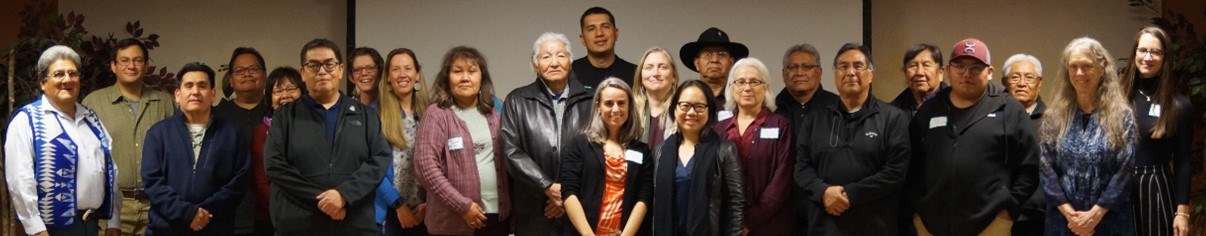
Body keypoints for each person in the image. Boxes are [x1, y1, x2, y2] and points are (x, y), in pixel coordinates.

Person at [908, 38, 1039, 236]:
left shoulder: (1009, 110)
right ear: (948, 70)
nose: (966, 74)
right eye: (959, 66)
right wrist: (918, 218)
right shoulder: (929, 110)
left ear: (990, 72)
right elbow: (911, 167)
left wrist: (1006, 215)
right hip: (931, 227)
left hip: (991, 227)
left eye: (975, 68)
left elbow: (1030, 168)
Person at [265, 38, 391, 235]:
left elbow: (379, 160)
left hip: (354, 221)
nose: (322, 71)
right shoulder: (284, 116)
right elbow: (274, 165)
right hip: (299, 223)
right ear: (303, 73)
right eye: (313, 65)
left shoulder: (365, 115)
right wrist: (322, 200)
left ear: (340, 70)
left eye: (329, 64)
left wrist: (344, 196)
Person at [794, 43, 911, 235]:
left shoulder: (893, 118)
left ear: (871, 74)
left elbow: (895, 172)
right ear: (834, 74)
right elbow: (801, 168)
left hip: (875, 226)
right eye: (843, 66)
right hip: (824, 226)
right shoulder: (815, 119)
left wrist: (850, 195)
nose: (850, 72)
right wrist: (824, 192)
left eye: (858, 66)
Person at [6, 45, 122, 236]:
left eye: (72, 73)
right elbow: (19, 179)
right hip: (51, 229)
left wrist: (114, 221)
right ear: (43, 82)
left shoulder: (91, 118)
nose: (67, 79)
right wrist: (36, 229)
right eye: (58, 74)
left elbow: (111, 171)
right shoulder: (27, 120)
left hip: (91, 225)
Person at [1039, 37, 1137, 236]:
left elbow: (1125, 170)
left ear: (1102, 69)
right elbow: (1046, 168)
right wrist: (1071, 216)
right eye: (1073, 66)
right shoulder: (1054, 116)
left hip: (1109, 221)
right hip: (1064, 223)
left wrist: (1094, 215)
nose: (1079, 73)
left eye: (1087, 66)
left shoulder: (1121, 116)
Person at [502, 32, 594, 235]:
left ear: (570, 62)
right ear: (535, 65)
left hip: (580, 209)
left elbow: (597, 152)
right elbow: (511, 151)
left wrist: (567, 195)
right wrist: (547, 186)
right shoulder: (517, 100)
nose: (554, 62)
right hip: (534, 209)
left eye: (561, 56)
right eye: (545, 57)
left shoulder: (592, 101)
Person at [141, 62, 250, 235]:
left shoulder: (231, 134)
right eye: (188, 86)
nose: (195, 92)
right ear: (177, 95)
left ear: (213, 94)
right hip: (167, 229)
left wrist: (203, 213)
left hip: (215, 228)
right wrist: (187, 213)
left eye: (202, 86)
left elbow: (239, 182)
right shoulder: (158, 133)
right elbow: (153, 182)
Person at [413, 46, 512, 235]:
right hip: (452, 220)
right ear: (447, 77)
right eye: (457, 71)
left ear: (482, 77)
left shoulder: (494, 111)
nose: (465, 78)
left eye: (472, 71)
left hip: (496, 216)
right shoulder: (437, 114)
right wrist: (462, 206)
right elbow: (425, 167)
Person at [81, 38, 174, 236]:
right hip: (112, 208)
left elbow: (175, 151)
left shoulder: (164, 102)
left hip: (155, 206)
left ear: (146, 66)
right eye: (124, 60)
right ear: (113, 66)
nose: (131, 65)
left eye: (138, 60)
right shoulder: (94, 103)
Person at [1120, 26, 1196, 236]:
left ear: (1165, 58)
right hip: (1117, 187)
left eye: (1156, 52)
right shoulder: (1115, 98)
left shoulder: (1178, 105)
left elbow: (1183, 161)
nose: (1148, 57)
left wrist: (1182, 212)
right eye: (1143, 50)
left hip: (1156, 187)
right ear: (1134, 53)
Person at [649, 80, 744, 235]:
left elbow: (735, 204)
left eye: (699, 106)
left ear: (710, 111)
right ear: (675, 109)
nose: (691, 112)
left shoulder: (725, 150)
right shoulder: (660, 151)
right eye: (685, 106)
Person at [560, 78, 652, 236]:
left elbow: (643, 197)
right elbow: (569, 192)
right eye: (609, 103)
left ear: (629, 106)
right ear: (598, 106)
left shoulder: (642, 150)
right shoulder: (580, 144)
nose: (616, 109)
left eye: (621, 103)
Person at [714, 58, 796, 235]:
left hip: (770, 225)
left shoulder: (781, 126)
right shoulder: (719, 130)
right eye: (740, 82)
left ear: (765, 88)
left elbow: (782, 181)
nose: (747, 88)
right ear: (731, 87)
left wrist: (750, 221)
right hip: (726, 225)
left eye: (754, 82)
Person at [774, 44, 839, 233]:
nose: (799, 72)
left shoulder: (837, 107)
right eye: (792, 67)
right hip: (783, 209)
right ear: (783, 73)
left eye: (806, 67)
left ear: (819, 72)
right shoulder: (771, 110)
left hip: (826, 207)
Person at [213, 47, 271, 236]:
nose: (247, 74)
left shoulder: (279, 113)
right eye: (239, 70)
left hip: (271, 214)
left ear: (265, 75)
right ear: (231, 79)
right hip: (226, 216)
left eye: (253, 69)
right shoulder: (215, 116)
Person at [375, 48, 431, 235]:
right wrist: (399, 205)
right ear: (388, 77)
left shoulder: (431, 113)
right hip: (389, 212)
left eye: (408, 68)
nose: (402, 74)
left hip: (425, 212)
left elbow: (442, 164)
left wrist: (429, 204)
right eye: (395, 69)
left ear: (417, 75)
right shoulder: (374, 114)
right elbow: (370, 166)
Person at [249, 67, 305, 236]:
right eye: (278, 91)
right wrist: (283, 210)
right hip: (271, 218)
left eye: (291, 89)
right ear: (270, 98)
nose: (285, 95)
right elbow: (260, 182)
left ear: (303, 93)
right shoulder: (261, 132)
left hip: (311, 216)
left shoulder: (315, 129)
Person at [999, 53, 1048, 236]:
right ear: (1004, 82)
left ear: (1039, 83)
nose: (1022, 83)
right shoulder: (991, 117)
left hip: (1038, 215)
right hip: (997, 212)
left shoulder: (1052, 120)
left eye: (1029, 77)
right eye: (1015, 77)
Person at [679, 27, 748, 107]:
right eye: (708, 54)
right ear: (697, 63)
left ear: (731, 63)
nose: (714, 60)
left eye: (721, 54)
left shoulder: (742, 98)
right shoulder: (684, 99)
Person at [572, 6, 637, 90]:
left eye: (605, 26)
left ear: (616, 33)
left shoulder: (635, 74)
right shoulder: (570, 74)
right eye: (591, 29)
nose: (599, 33)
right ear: (582, 38)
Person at [631, 47, 679, 151]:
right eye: (649, 68)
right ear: (640, 76)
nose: (656, 73)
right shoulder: (629, 112)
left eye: (663, 67)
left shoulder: (682, 112)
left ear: (674, 76)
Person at [890, 44, 947, 116]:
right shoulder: (893, 112)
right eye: (913, 65)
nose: (919, 72)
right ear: (905, 72)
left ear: (940, 72)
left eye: (926, 65)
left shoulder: (955, 103)